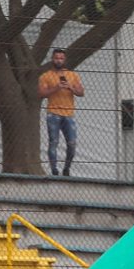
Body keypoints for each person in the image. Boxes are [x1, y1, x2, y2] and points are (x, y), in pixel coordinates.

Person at [38, 47, 85, 178]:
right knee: (53, 142)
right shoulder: (45, 76)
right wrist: (56, 87)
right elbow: (41, 93)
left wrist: (70, 87)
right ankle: (54, 170)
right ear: (52, 59)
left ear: (65, 60)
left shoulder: (72, 75)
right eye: (56, 58)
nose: (59, 60)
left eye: (61, 58)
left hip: (69, 114)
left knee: (72, 143)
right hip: (53, 113)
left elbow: (81, 92)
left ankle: (67, 168)